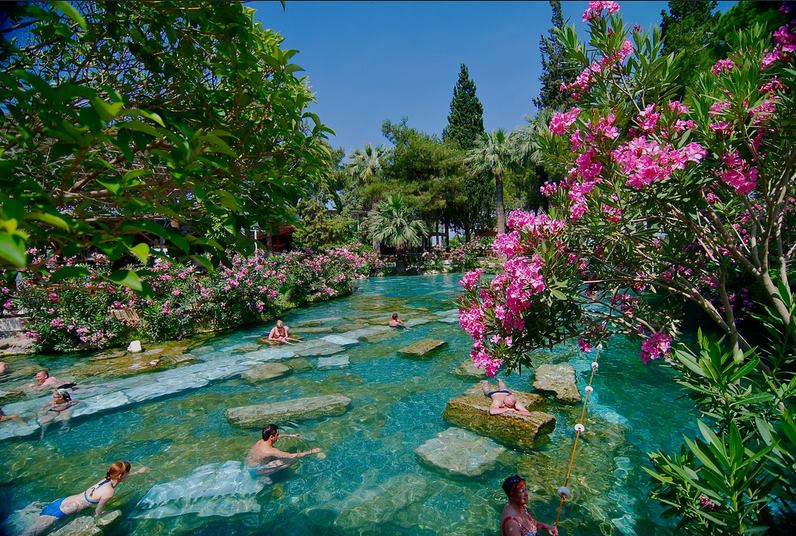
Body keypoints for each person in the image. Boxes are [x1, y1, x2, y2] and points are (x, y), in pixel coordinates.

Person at [22, 461, 149, 536]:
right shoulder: (109, 492)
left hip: (62, 501)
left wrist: (138, 472)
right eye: (128, 472)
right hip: (62, 512)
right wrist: (97, 519)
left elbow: (120, 478)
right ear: (121, 475)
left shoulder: (107, 479)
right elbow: (98, 510)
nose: (128, 475)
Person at [245, 423, 322, 478]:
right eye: (277, 434)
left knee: (274, 458)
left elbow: (274, 437)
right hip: (256, 471)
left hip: (249, 464)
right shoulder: (271, 451)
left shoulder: (261, 441)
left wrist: (290, 436)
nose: (278, 436)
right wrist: (312, 451)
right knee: (290, 460)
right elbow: (292, 455)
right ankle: (263, 477)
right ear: (272, 437)